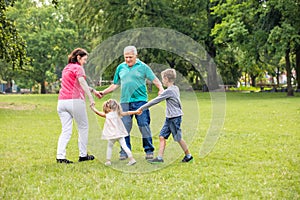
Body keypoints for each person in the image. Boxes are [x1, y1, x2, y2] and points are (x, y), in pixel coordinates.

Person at [100, 46, 164, 160]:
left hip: (140, 101)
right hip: (125, 102)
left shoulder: (143, 67)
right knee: (124, 128)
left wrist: (160, 88)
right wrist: (103, 92)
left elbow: (154, 79)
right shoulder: (121, 67)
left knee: (144, 125)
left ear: (136, 56)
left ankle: (149, 150)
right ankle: (125, 151)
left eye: (130, 57)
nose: (128, 59)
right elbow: (115, 84)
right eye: (126, 57)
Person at [137, 68, 193, 163]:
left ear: (166, 79)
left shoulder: (169, 91)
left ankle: (188, 156)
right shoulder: (175, 88)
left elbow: (156, 101)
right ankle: (159, 158)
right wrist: (162, 93)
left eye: (162, 79)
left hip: (174, 118)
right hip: (170, 118)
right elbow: (166, 95)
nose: (162, 81)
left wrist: (142, 108)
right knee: (162, 136)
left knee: (178, 138)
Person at [56, 48, 101, 164]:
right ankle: (83, 155)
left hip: (62, 102)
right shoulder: (78, 68)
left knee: (66, 130)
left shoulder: (66, 68)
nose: (85, 62)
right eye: (84, 59)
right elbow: (82, 83)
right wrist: (91, 99)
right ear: (78, 57)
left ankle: (60, 157)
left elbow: (76, 84)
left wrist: (93, 90)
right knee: (83, 128)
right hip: (75, 101)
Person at [91, 99, 139, 166]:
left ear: (109, 108)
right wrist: (136, 112)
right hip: (119, 134)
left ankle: (108, 161)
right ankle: (131, 159)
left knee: (110, 147)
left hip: (112, 135)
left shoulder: (107, 115)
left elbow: (98, 113)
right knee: (124, 146)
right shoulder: (118, 113)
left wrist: (93, 108)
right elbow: (128, 112)